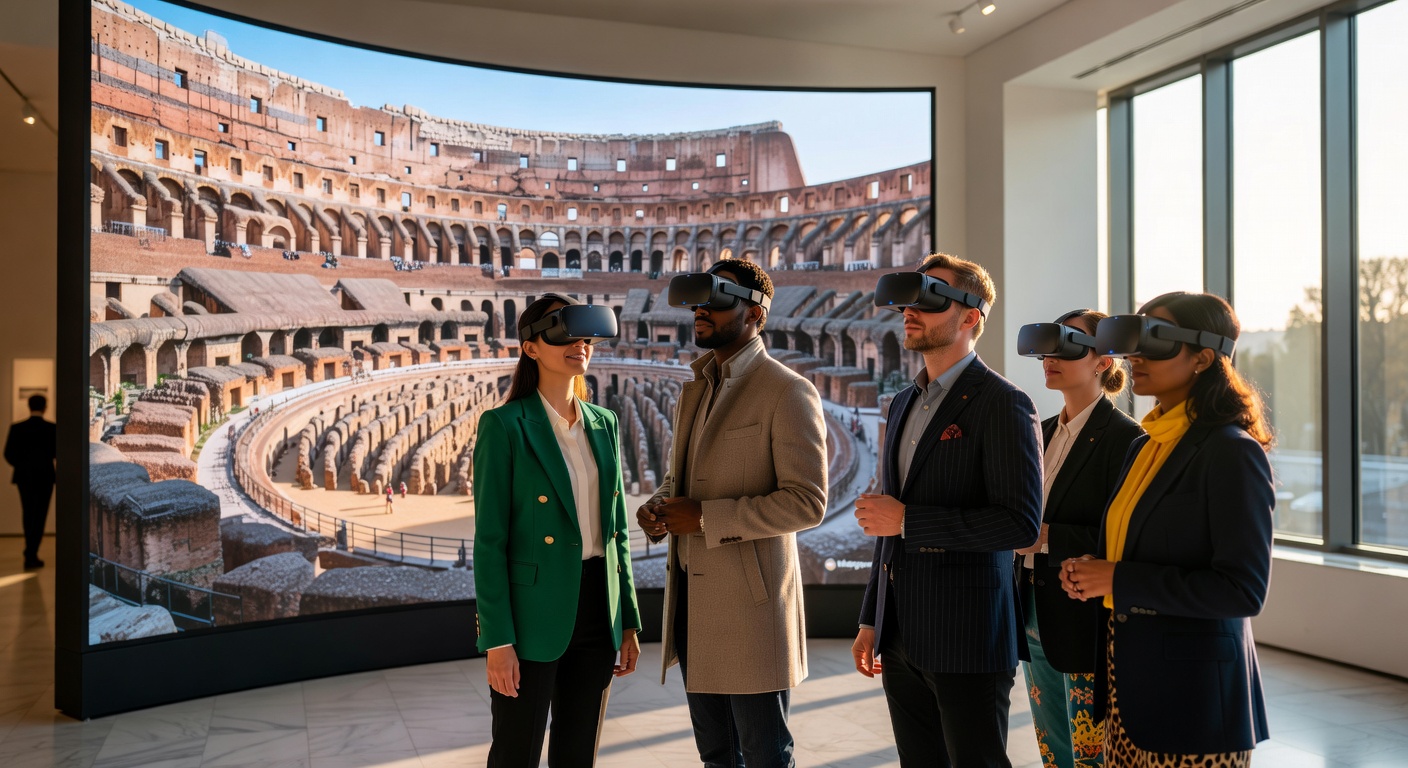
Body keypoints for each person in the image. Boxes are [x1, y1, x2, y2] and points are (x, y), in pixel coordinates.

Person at [1060, 292, 1275, 766]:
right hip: (1127, 689)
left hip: (1194, 705)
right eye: (1134, 339)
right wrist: (1093, 570)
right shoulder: (1146, 446)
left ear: (1203, 356)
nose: (1135, 355)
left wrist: (1117, 579)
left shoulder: (1231, 452)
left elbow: (1242, 590)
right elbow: (1135, 550)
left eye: (1155, 340)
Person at [852, 252, 1042, 768]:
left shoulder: (1004, 403)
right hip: (901, 636)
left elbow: (1020, 523)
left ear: (970, 317)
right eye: (909, 298)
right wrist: (873, 616)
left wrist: (909, 520)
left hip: (967, 637)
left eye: (930, 299)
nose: (911, 310)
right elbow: (888, 531)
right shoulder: (902, 403)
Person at [637, 260, 827, 768]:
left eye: (716, 299)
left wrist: (702, 518)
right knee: (717, 755)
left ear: (754, 313)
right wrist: (660, 503)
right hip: (693, 603)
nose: (700, 310)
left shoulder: (786, 389)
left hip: (751, 610)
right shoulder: (696, 386)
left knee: (764, 754)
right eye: (697, 300)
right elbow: (690, 477)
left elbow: (807, 501)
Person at [474, 294, 641, 768]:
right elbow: (489, 543)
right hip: (531, 614)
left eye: (586, 337)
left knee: (578, 750)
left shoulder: (603, 423)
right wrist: (497, 640)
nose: (580, 345)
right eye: (565, 335)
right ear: (531, 347)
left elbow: (617, 534)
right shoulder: (504, 426)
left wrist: (626, 618)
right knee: (516, 751)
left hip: (596, 608)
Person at [1013, 310, 1143, 768]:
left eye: (1069, 345)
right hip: (1029, 605)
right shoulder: (1039, 431)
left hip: (1084, 614)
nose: (1051, 357)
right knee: (1052, 745)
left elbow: (1130, 535)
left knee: (1091, 752)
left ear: (1104, 361)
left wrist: (1049, 537)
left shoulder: (1127, 438)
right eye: (1049, 346)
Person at [4, 394, 57, 569]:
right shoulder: (51, 428)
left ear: (28, 406)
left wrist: (22, 465)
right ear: (45, 407)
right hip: (45, 476)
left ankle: (30, 552)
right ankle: (31, 553)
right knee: (40, 515)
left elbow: (8, 453)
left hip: (24, 476)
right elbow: (56, 452)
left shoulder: (17, 428)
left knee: (28, 514)